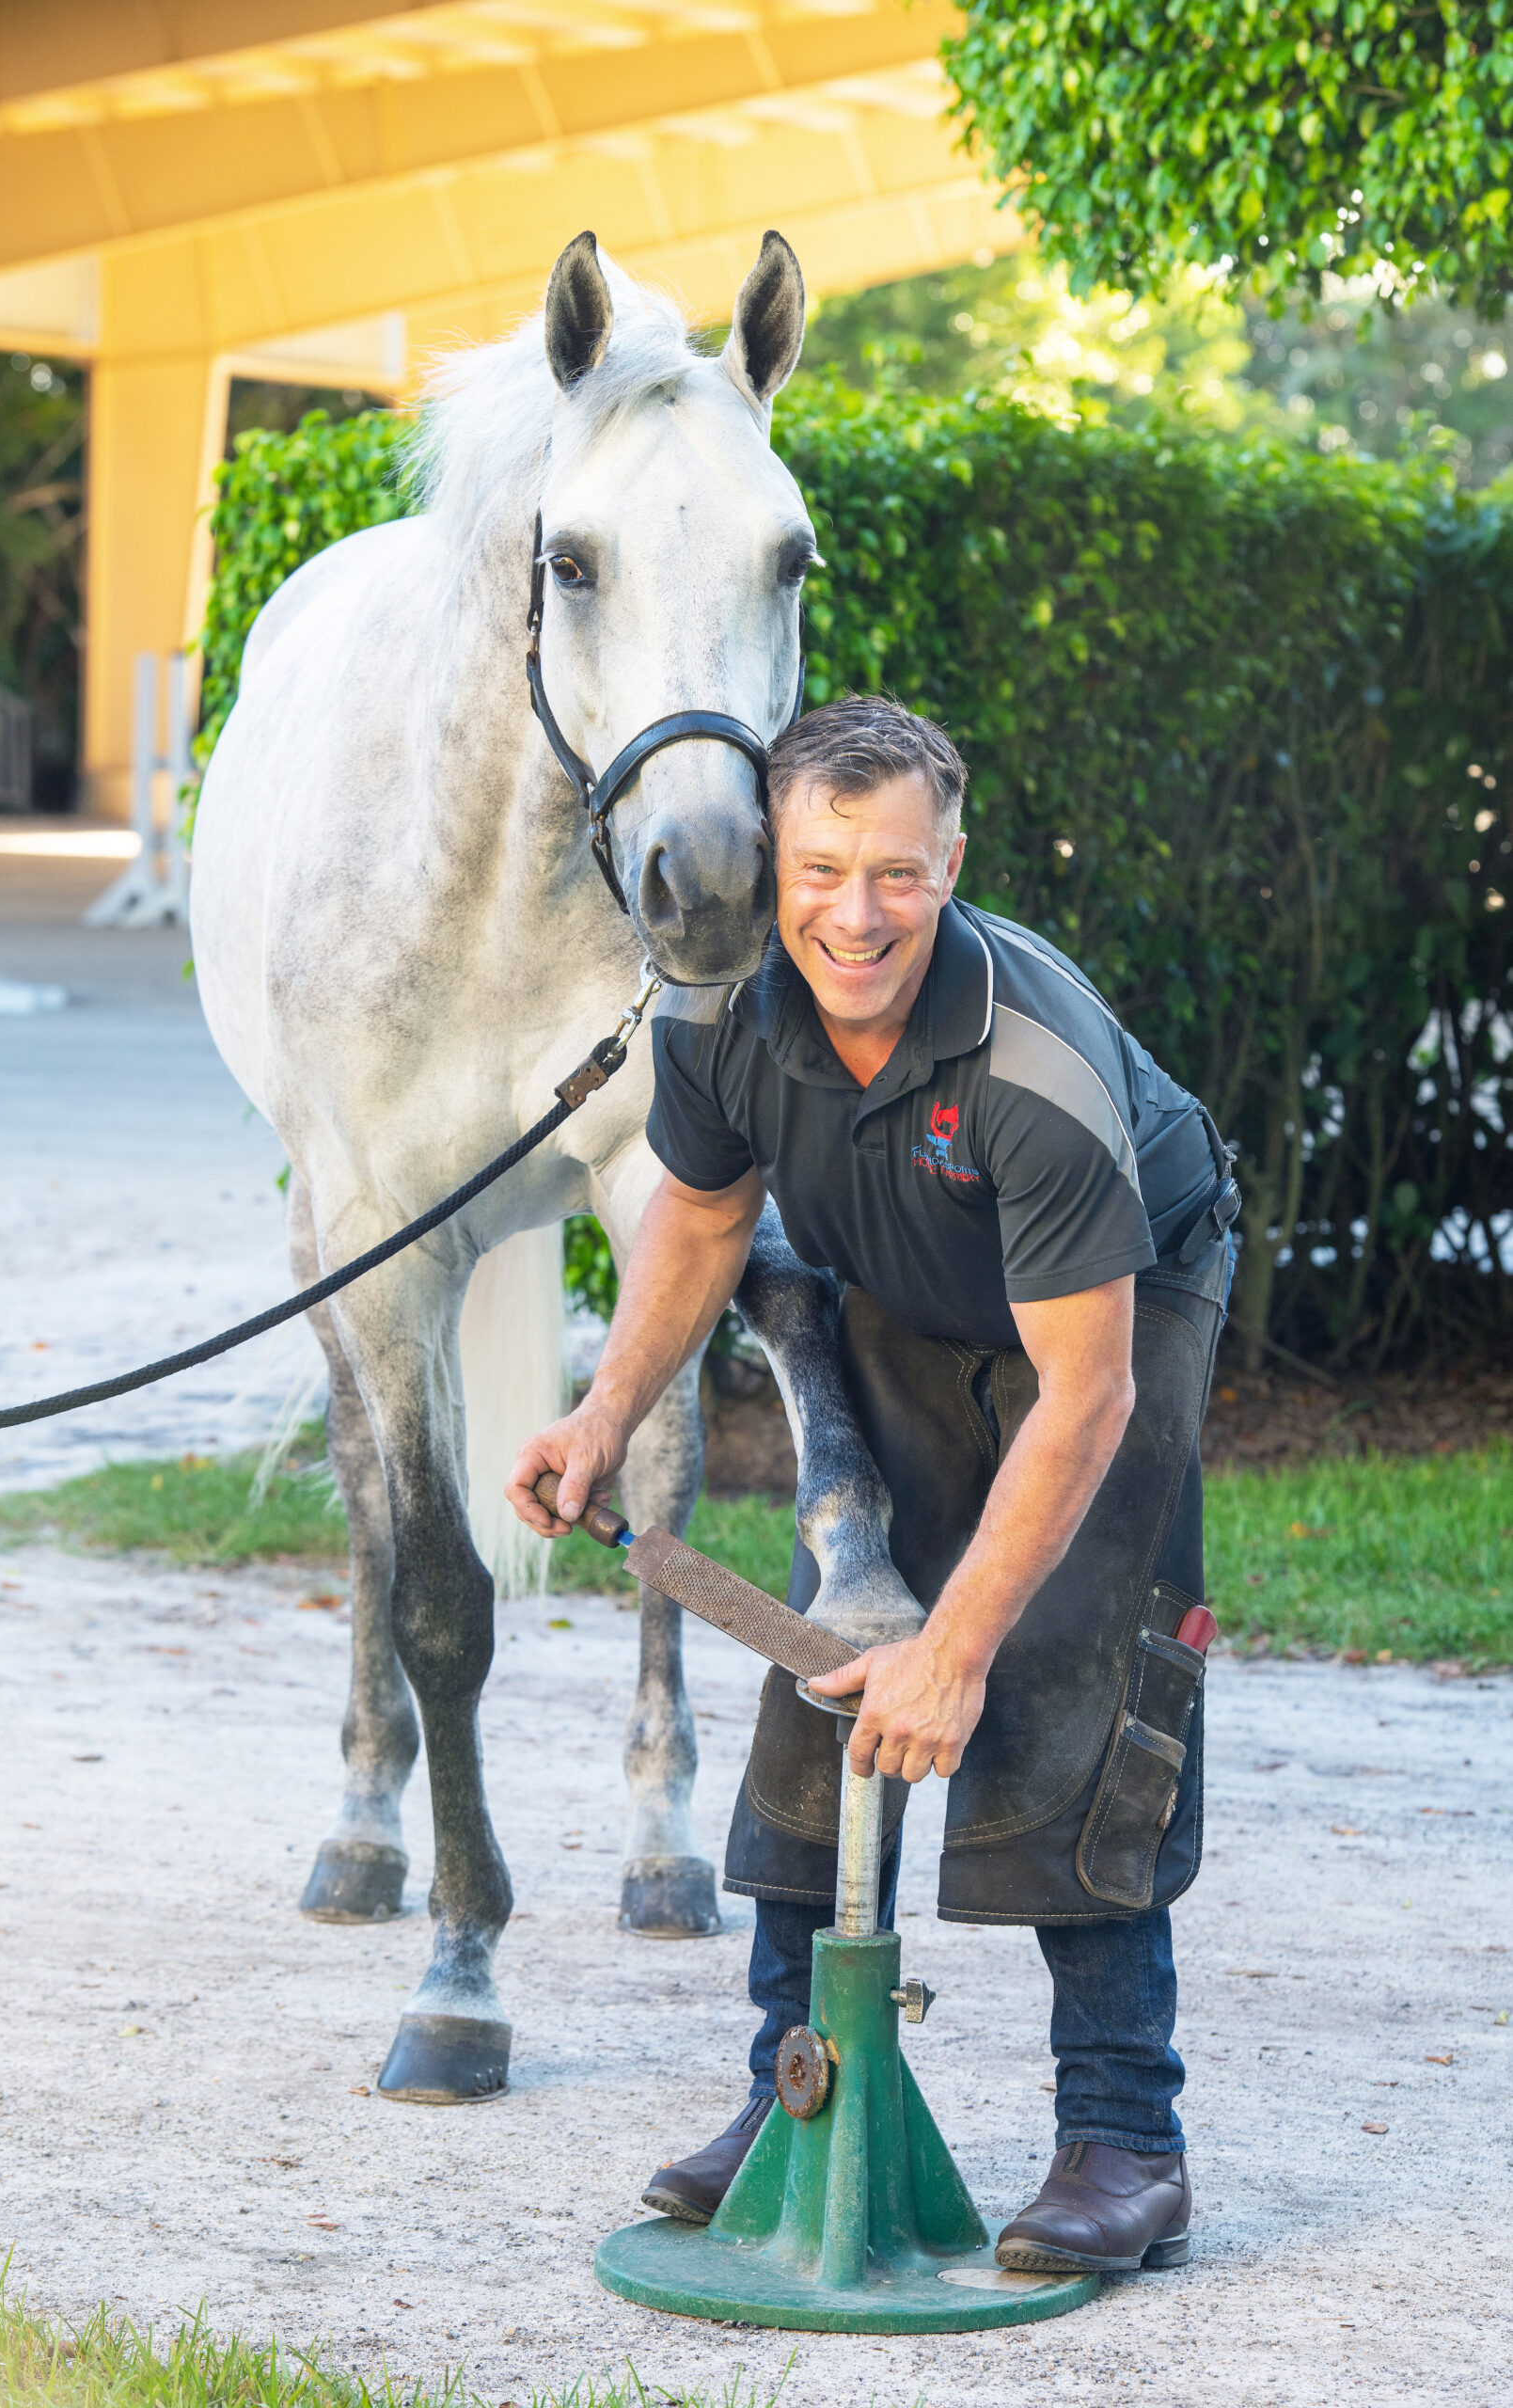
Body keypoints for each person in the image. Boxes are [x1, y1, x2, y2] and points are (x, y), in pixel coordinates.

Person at [508, 695, 1237, 2276]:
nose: (858, 914)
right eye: (823, 870)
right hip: (911, 1280)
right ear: (773, 866)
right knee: (831, 1648)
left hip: (1116, 1309)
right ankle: (797, 2090)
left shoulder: (1033, 1066)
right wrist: (605, 1412)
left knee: (1069, 1659)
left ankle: (1127, 2137)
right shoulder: (717, 1011)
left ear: (950, 866)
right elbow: (704, 1218)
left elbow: (1085, 1394)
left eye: (899, 874)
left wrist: (961, 1648)